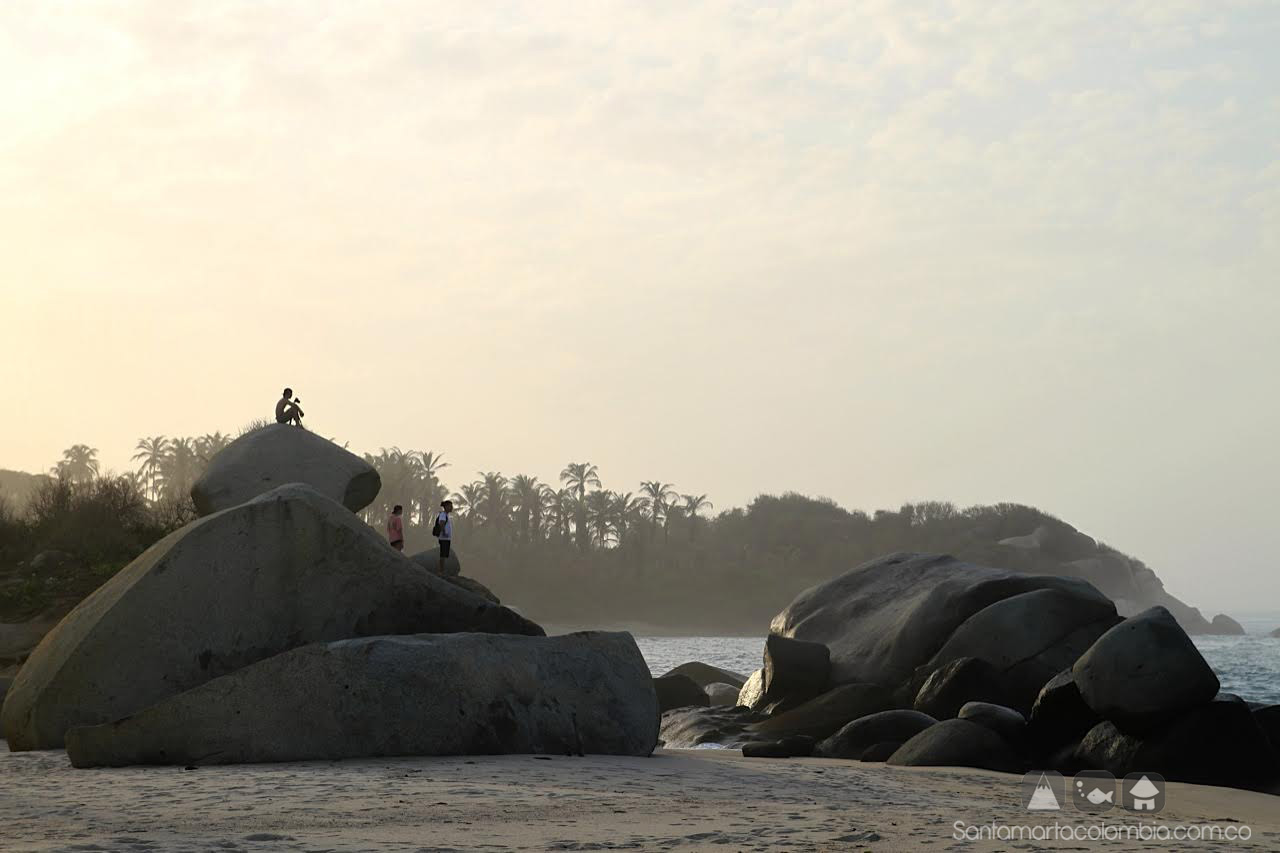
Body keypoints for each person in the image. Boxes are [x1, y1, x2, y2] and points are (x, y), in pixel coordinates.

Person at [434, 500, 453, 572]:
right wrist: (444, 533)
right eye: (451, 506)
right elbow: (442, 523)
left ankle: (441, 570)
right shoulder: (443, 515)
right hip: (444, 538)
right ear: (447, 507)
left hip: (446, 538)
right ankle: (440, 571)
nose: (452, 508)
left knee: (444, 555)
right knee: (442, 555)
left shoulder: (445, 515)